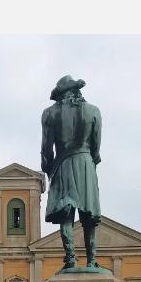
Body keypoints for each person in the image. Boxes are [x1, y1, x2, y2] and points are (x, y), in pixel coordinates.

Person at [40, 76, 102, 270]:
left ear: (60, 94)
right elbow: (96, 146)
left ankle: (71, 258)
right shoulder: (93, 111)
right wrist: (90, 162)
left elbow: (46, 148)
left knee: (66, 215)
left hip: (63, 164)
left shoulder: (50, 113)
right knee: (89, 215)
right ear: (76, 91)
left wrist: (49, 167)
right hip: (85, 163)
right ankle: (92, 260)